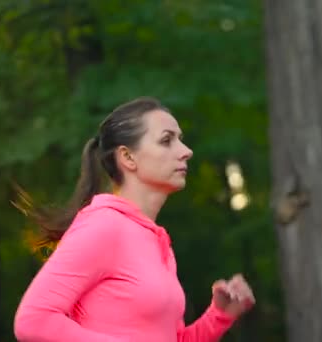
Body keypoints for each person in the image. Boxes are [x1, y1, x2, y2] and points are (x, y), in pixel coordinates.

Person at [13, 97, 255, 342]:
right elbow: (33, 320)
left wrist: (220, 316)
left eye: (180, 140)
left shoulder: (156, 241)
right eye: (166, 140)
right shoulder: (103, 226)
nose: (186, 151)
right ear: (128, 158)